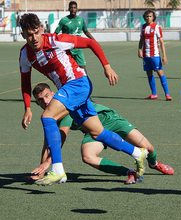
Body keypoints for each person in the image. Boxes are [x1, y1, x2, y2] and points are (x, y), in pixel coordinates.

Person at [19, 13, 147, 186]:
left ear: (41, 28)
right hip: (71, 90)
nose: (34, 38)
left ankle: (58, 171)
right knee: (98, 133)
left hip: (78, 83)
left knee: (48, 117)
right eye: (29, 34)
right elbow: (25, 83)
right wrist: (28, 108)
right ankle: (137, 153)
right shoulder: (25, 55)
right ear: (23, 35)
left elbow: (90, 42)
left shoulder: (56, 40)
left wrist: (106, 66)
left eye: (36, 32)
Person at [30, 83, 174, 184]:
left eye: (47, 96)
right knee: (88, 157)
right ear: (37, 103)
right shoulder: (49, 116)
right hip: (93, 131)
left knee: (148, 149)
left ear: (53, 94)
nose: (46, 101)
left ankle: (154, 164)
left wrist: (49, 162)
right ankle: (129, 172)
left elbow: (62, 136)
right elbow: (48, 144)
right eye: (41, 100)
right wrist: (41, 171)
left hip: (110, 120)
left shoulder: (63, 103)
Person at [138, 10, 172, 101]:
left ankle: (167, 94)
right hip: (146, 55)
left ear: (153, 17)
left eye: (150, 16)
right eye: (147, 16)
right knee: (149, 73)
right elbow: (141, 40)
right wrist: (139, 50)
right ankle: (154, 94)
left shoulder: (157, 27)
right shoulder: (143, 27)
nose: (148, 18)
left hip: (155, 55)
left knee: (160, 73)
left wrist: (164, 55)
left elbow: (161, 42)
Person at [54, 1, 95, 73]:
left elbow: (86, 31)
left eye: (74, 8)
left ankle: (85, 83)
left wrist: (94, 41)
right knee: (68, 70)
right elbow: (55, 34)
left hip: (78, 49)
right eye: (71, 8)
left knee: (83, 69)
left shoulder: (81, 20)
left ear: (77, 9)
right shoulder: (64, 20)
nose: (73, 9)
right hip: (67, 49)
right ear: (68, 9)